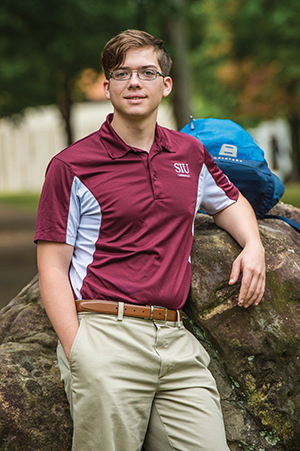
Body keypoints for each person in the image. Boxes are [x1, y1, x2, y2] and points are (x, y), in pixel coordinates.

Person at [35, 29, 265, 451]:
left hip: (176, 341)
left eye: (147, 72)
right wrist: (79, 350)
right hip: (105, 335)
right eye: (122, 74)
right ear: (107, 88)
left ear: (166, 84)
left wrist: (253, 246)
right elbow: (51, 267)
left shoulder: (189, 153)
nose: (135, 83)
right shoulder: (71, 166)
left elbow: (230, 203)